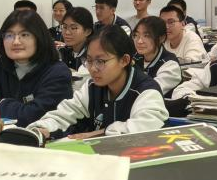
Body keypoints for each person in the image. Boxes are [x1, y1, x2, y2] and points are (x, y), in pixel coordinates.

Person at [27, 25, 168, 139]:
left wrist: (99, 133)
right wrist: (40, 129)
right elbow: (63, 114)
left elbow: (144, 129)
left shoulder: (146, 92)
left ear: (124, 60)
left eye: (100, 61)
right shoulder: (92, 87)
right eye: (89, 60)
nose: (93, 68)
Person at [0, 10, 72, 126]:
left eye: (24, 35)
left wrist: (1, 103)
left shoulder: (57, 72)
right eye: (9, 35)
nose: (16, 42)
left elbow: (32, 116)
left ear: (39, 38)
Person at [132, 16, 181, 97]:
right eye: (136, 35)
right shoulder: (136, 57)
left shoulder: (170, 65)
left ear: (162, 38)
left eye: (146, 36)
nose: (139, 41)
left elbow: (150, 92)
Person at [58, 7, 93, 73]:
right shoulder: (62, 51)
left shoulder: (93, 56)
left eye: (73, 28)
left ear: (87, 31)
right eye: (64, 27)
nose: (67, 32)